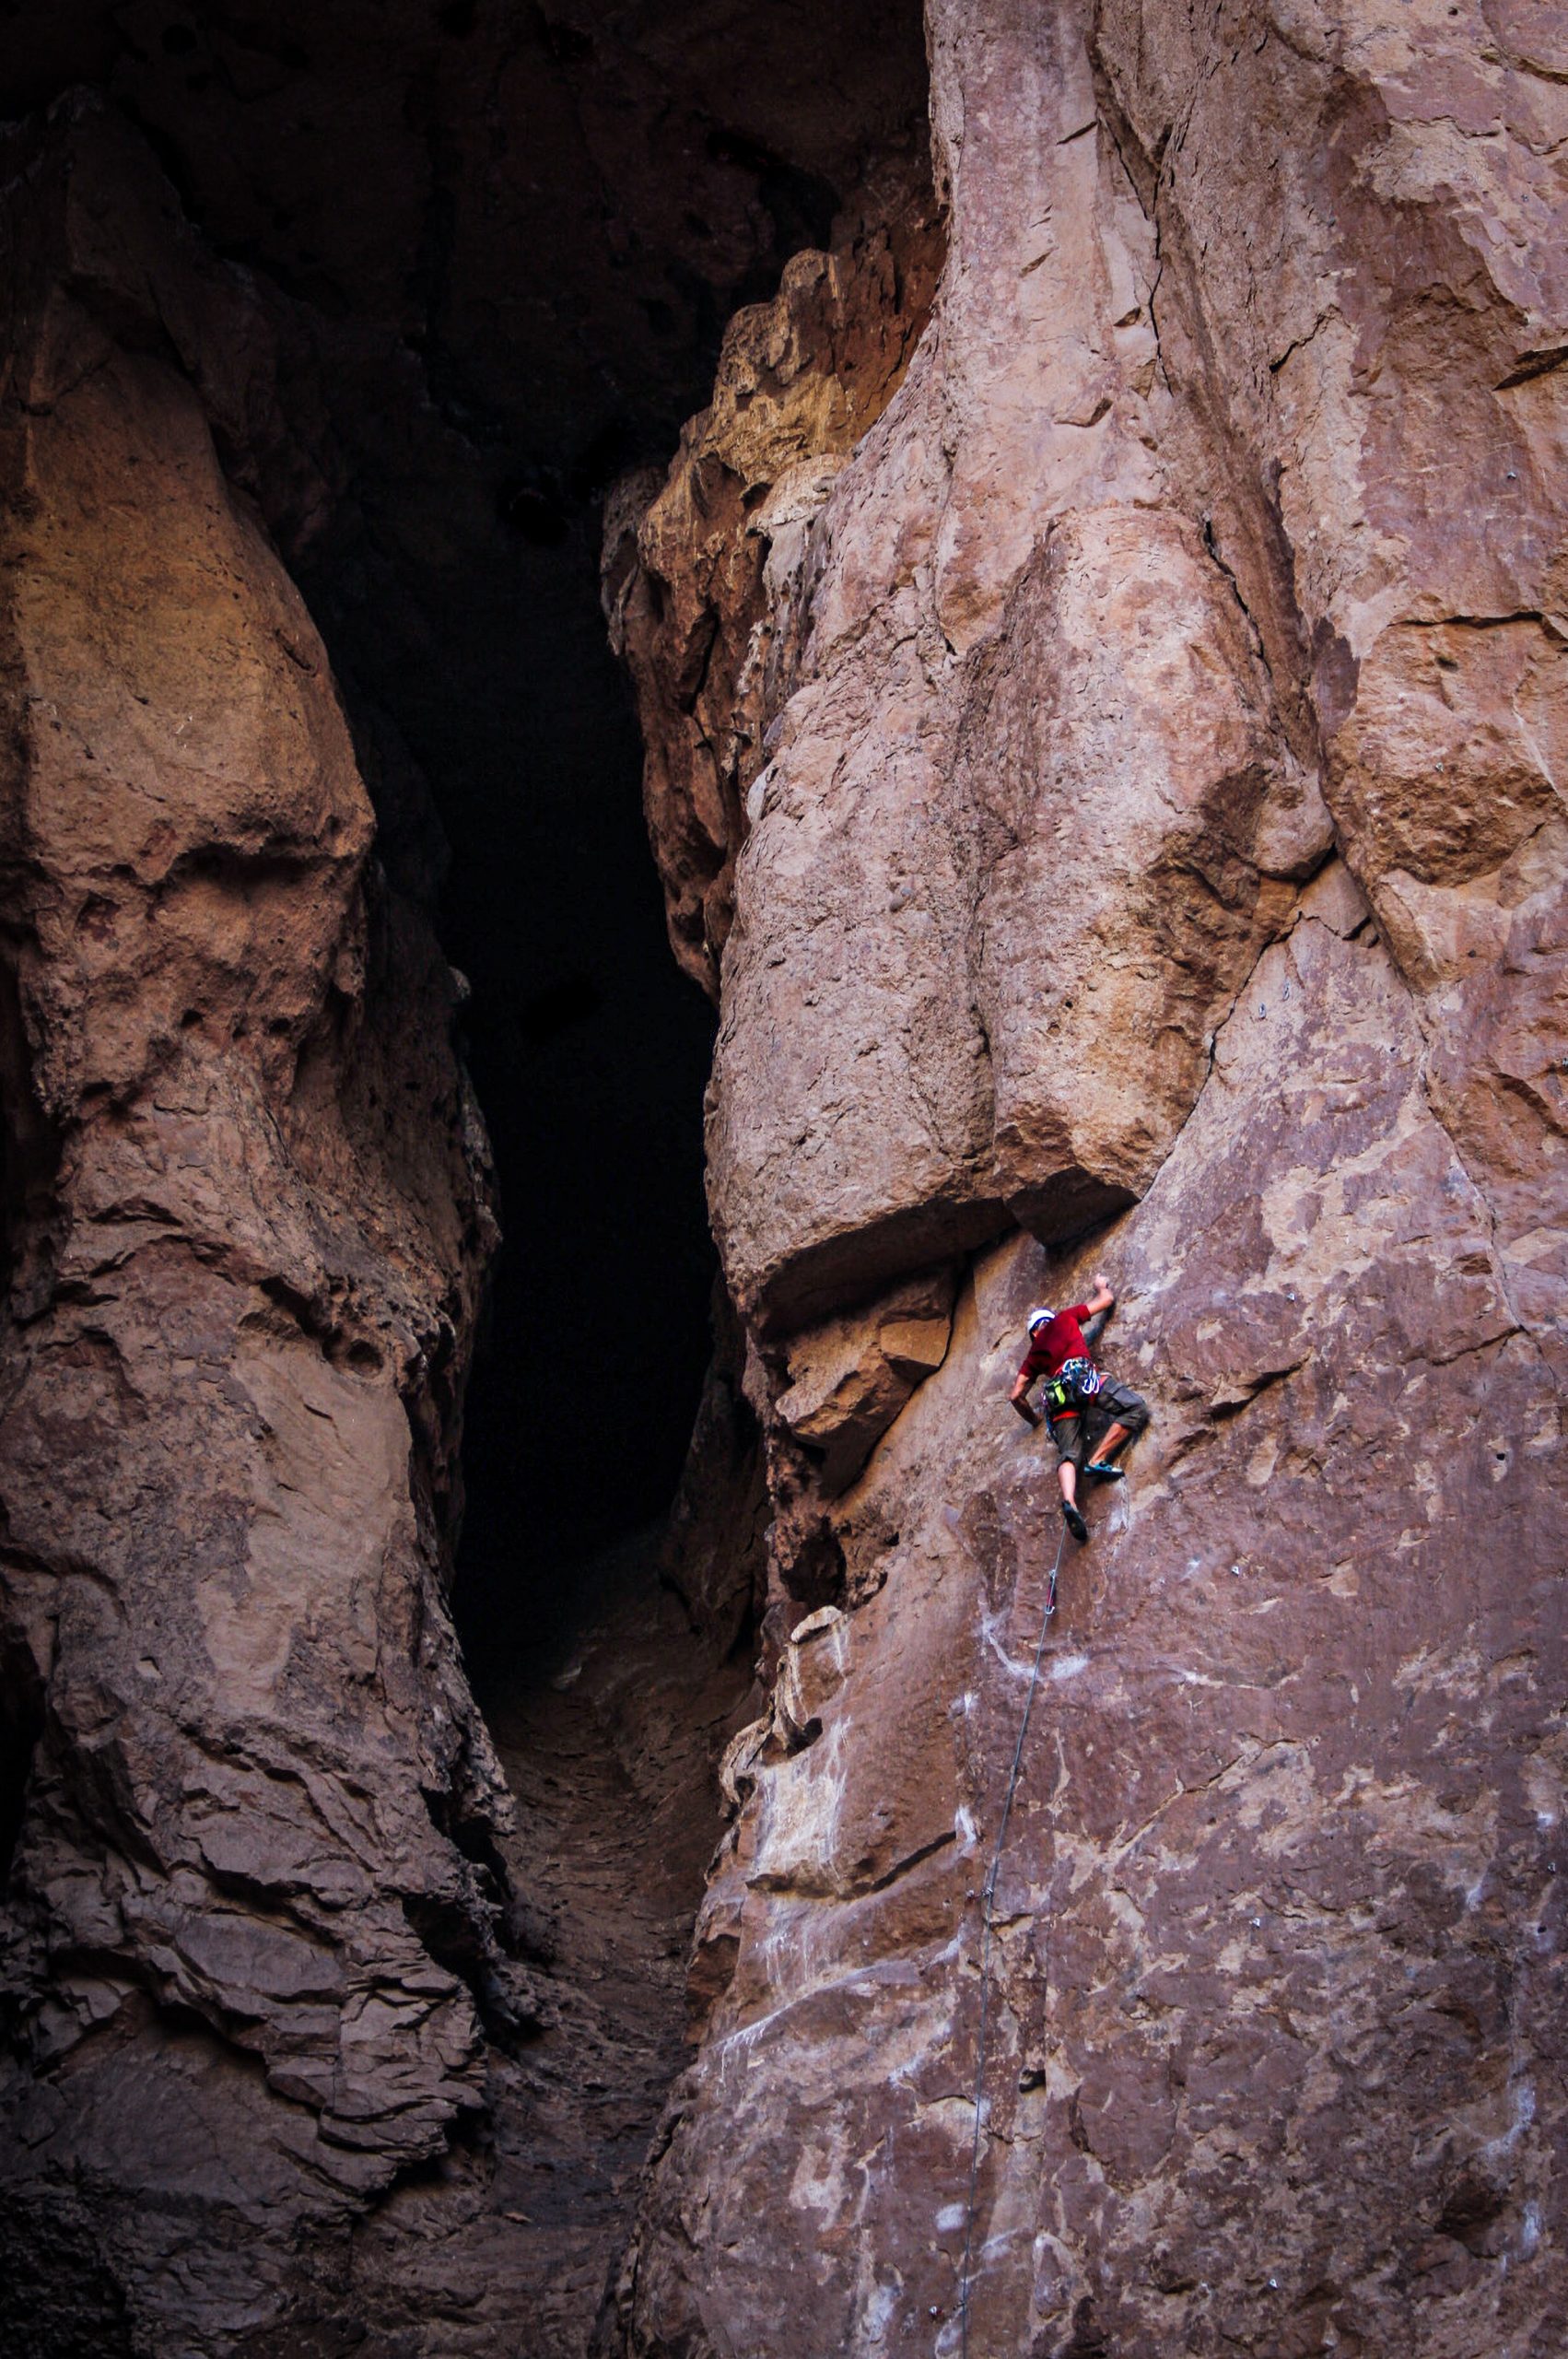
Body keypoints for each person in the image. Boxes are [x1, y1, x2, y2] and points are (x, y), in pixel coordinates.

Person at [1008, 1274, 1149, 1543]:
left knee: (1069, 1453)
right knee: (1135, 1409)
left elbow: (1016, 1394)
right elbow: (1105, 1301)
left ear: (1033, 1333)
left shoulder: (1034, 1354)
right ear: (1048, 1320)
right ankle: (1098, 1460)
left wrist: (1035, 1419)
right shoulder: (1064, 1319)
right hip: (1082, 1379)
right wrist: (1100, 1285)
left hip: (1059, 1396)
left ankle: (1070, 1500)